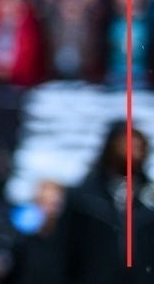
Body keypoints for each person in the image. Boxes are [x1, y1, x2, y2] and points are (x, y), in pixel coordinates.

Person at [56, 120, 154, 283]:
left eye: (139, 145)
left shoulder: (149, 198)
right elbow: (64, 250)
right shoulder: (85, 198)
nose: (133, 150)